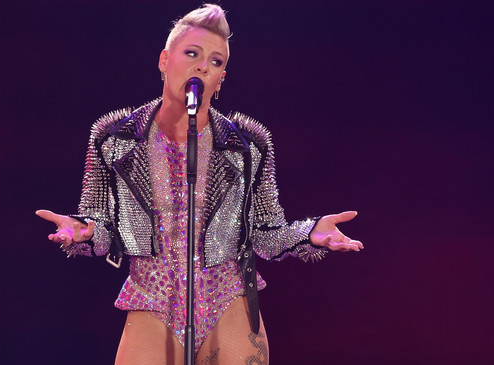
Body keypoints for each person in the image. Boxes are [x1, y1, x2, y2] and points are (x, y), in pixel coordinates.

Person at [37, 4, 363, 365]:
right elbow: (103, 226)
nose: (203, 66)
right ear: (164, 60)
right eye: (192, 53)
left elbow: (266, 235)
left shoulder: (247, 146)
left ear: (221, 78)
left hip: (227, 297)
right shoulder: (114, 140)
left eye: (216, 61)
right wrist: (84, 229)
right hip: (152, 296)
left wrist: (310, 232)